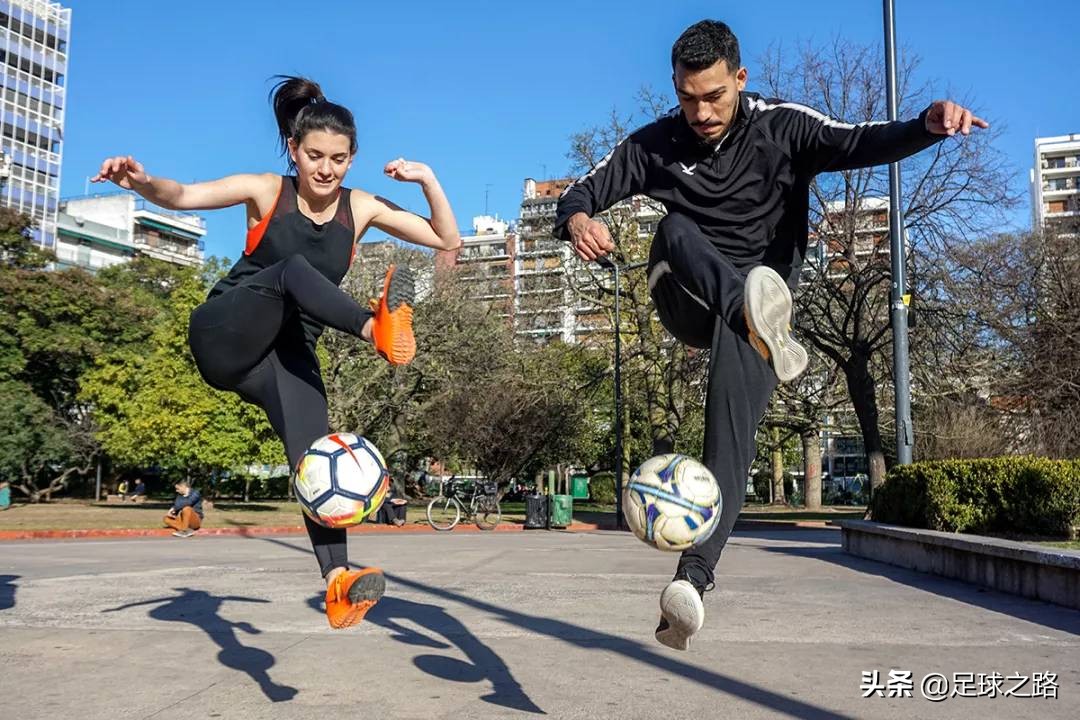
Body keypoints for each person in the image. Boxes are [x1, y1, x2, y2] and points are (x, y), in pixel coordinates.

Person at [555, 20, 987, 651]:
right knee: (674, 228)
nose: (701, 112)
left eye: (714, 97)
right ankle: (750, 313)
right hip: (688, 296)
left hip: (763, 313)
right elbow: (582, 190)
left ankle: (690, 585)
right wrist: (578, 219)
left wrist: (925, 124)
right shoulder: (654, 144)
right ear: (675, 89)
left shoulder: (783, 125)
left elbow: (859, 140)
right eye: (687, 98)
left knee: (727, 440)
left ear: (740, 79)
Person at [93, 76, 461, 629]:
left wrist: (426, 177)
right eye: (315, 155)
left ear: (352, 159)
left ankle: (337, 583)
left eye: (339, 158)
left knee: (320, 458)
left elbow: (446, 239)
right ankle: (373, 329)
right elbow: (184, 195)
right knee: (292, 272)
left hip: (287, 355)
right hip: (227, 332)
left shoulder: (358, 208)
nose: (326, 168)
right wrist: (140, 182)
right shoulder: (267, 190)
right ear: (294, 149)